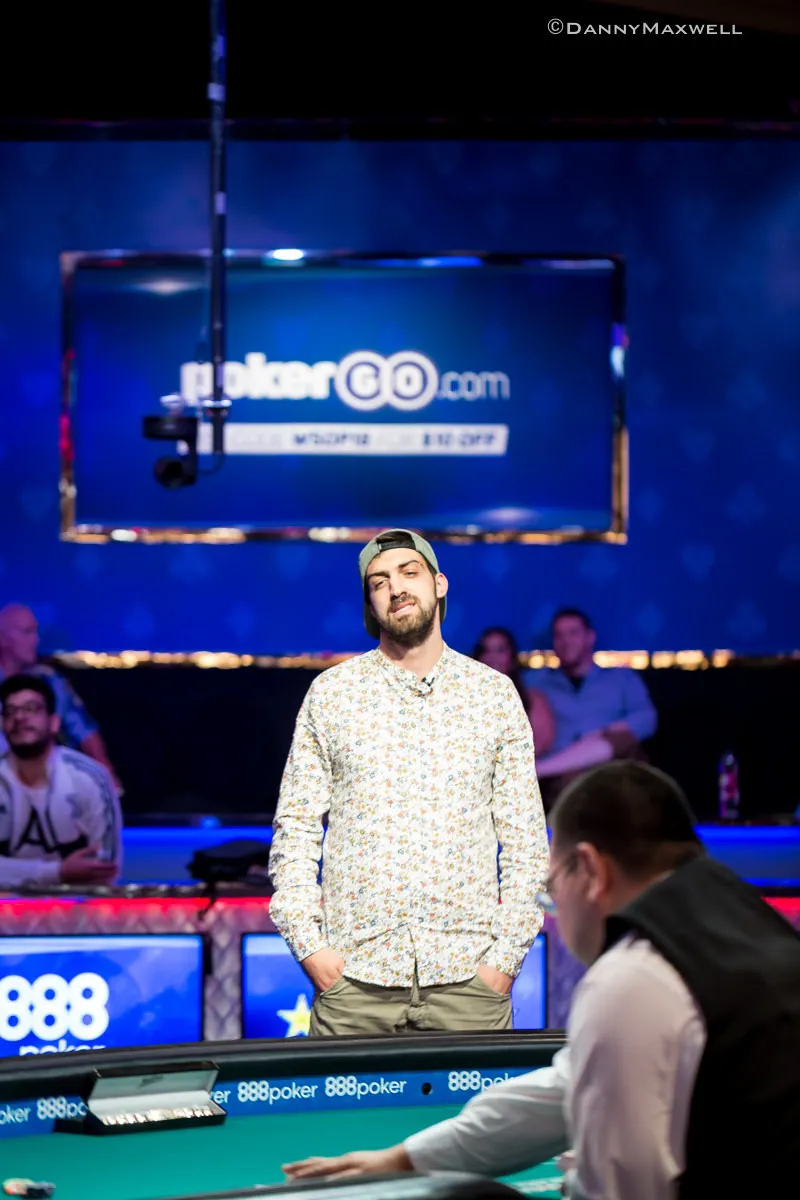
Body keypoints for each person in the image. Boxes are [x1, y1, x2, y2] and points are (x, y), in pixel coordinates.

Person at [283, 760, 800, 1199]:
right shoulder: (742, 916)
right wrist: (405, 1158)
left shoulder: (633, 976)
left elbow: (626, 1188)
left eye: (550, 891)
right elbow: (566, 1091)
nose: (554, 911)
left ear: (589, 870)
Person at [268, 528, 548, 1036]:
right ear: (370, 603)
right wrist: (312, 951)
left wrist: (502, 964)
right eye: (379, 582)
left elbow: (526, 841)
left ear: (439, 584)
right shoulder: (333, 695)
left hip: (469, 981)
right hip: (355, 982)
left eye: (408, 573)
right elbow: (296, 828)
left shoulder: (493, 696)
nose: (395, 588)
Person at [0, 673, 122, 888]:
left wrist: (15, 872)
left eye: (31, 709)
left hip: (79, 907)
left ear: (54, 722)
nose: (19, 717)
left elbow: (105, 868)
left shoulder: (90, 778)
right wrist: (59, 872)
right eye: (10, 711)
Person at [527, 608, 657, 808]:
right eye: (559, 635)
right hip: (561, 774)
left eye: (573, 633)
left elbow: (647, 719)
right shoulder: (537, 682)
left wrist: (602, 733)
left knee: (623, 742)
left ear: (590, 637)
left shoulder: (621, 678)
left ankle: (538, 770)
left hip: (612, 767)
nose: (566, 641)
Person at [0, 603, 120, 787]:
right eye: (27, 632)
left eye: (36, 632)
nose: (35, 640)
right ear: (3, 638)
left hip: (50, 781)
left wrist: (107, 776)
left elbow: (84, 731)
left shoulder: (49, 680)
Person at [473, 627, 555, 756]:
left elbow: (542, 742)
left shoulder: (532, 699)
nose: (492, 657)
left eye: (500, 650)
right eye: (486, 650)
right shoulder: (465, 701)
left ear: (511, 658)